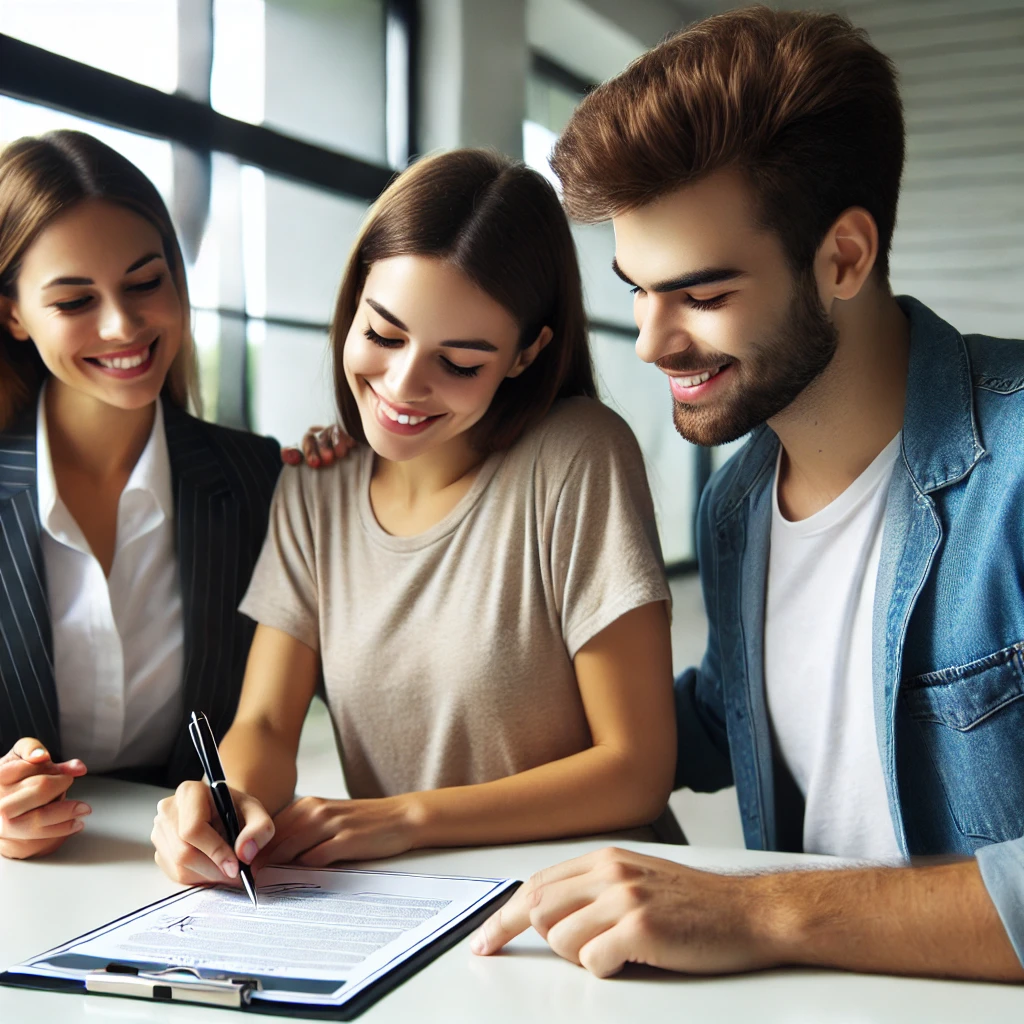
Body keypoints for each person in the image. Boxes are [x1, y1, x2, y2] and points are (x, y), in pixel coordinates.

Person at [471, 7, 1024, 983]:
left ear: (843, 257)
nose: (649, 341)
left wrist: (758, 907)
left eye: (700, 294)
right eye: (636, 289)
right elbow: (725, 715)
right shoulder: (737, 504)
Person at [151, 148, 678, 886]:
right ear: (353, 302)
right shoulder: (316, 487)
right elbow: (267, 724)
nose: (403, 386)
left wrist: (407, 816)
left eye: (459, 363)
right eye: (383, 335)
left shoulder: (578, 455)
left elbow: (636, 770)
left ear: (527, 354)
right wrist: (226, 801)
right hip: (414, 906)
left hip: (596, 902)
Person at [0, 130, 287, 861]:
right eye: (73, 300)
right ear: (13, 315)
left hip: (191, 886)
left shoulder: (260, 481)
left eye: (144, 282)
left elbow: (277, 714)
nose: (123, 326)